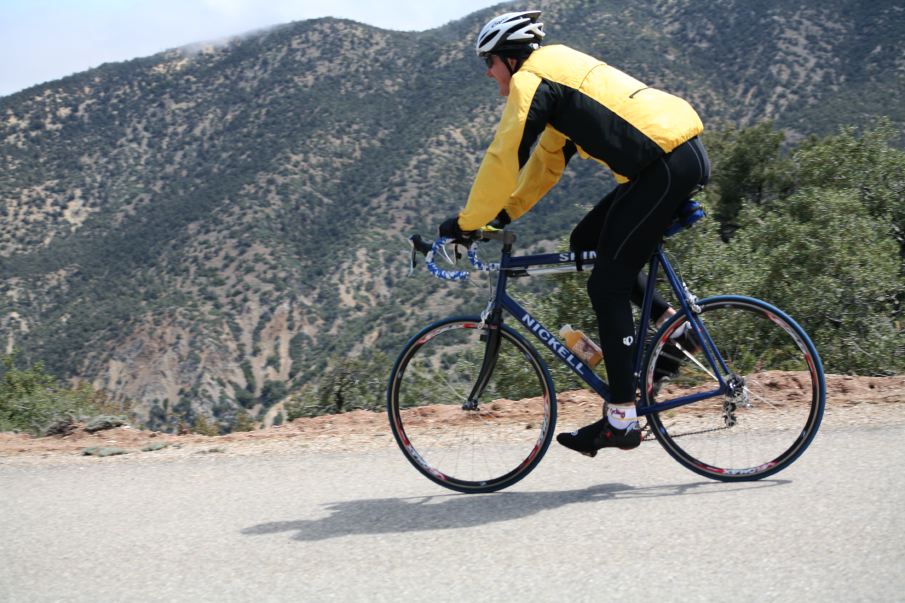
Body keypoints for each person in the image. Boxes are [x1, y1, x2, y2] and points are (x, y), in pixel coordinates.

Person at [437, 10, 711, 457]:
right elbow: (543, 168)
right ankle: (670, 328)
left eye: (488, 62)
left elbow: (504, 156)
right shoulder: (557, 74)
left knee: (607, 285)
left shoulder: (533, 81)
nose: (488, 72)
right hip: (675, 158)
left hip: (662, 167)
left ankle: (621, 419)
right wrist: (499, 218)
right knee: (586, 241)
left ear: (509, 58)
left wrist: (466, 223)